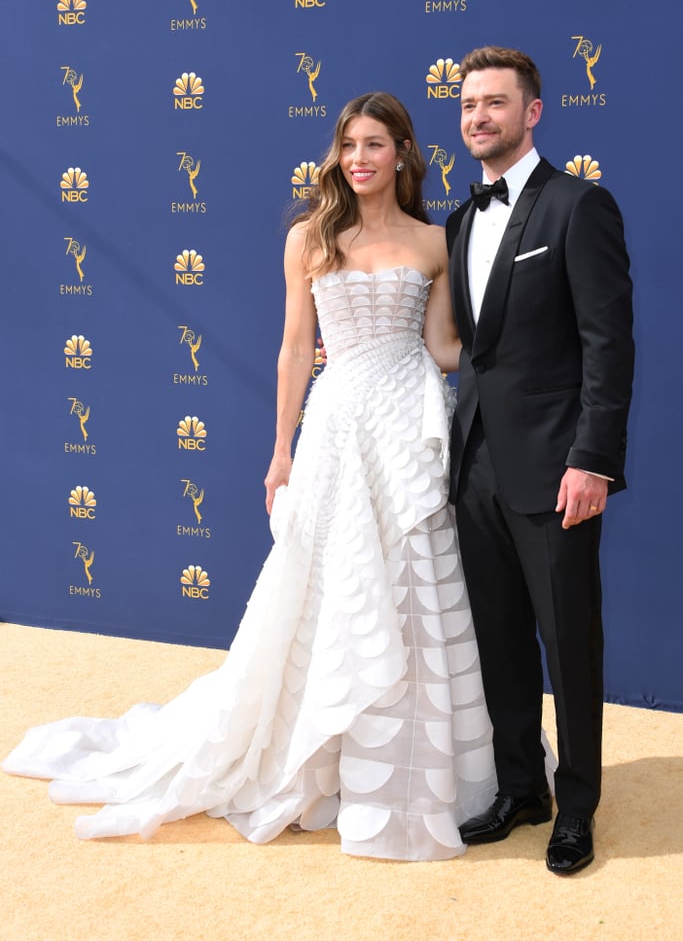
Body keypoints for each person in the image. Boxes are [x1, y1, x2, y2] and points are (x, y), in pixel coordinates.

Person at [3, 93, 498, 861]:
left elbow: (439, 346)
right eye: (347, 145)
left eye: (374, 144)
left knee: (411, 579)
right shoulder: (310, 236)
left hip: (407, 420)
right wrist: (279, 450)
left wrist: (519, 352)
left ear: (402, 153)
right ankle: (316, 752)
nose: (359, 158)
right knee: (331, 584)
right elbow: (296, 349)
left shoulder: (436, 241)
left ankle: (400, 766)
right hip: (336, 424)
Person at [445, 47, 634, 874]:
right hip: (474, 467)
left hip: (557, 467)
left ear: (533, 112)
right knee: (498, 641)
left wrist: (592, 458)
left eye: (494, 102)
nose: (477, 117)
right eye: (466, 106)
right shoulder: (458, 219)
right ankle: (520, 786)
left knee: (569, 641)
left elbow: (608, 346)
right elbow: (469, 353)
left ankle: (577, 805)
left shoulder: (577, 206)